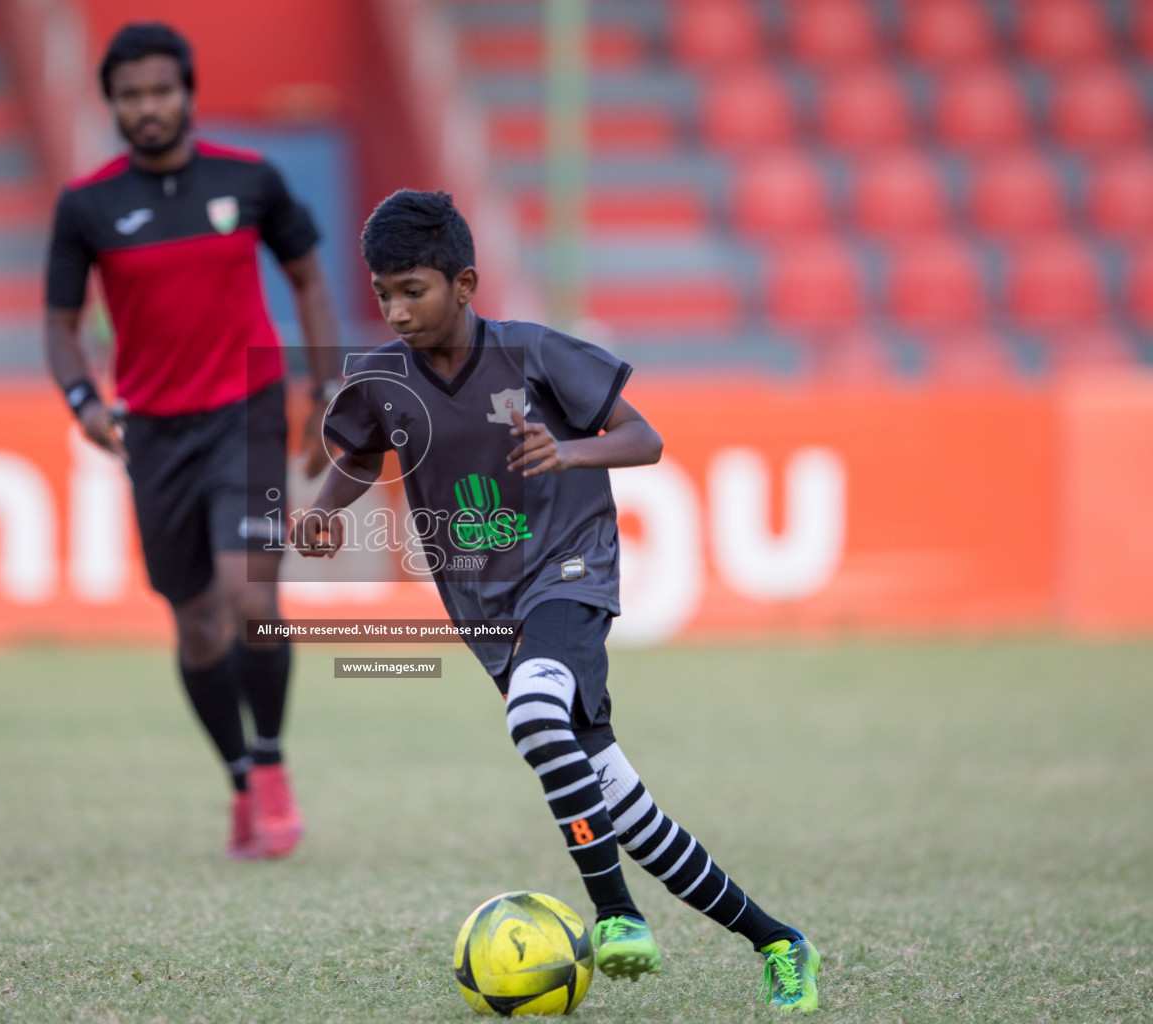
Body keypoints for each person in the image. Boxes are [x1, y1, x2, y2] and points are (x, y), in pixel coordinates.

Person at [293, 190, 822, 1010]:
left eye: (414, 290)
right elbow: (363, 453)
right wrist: (323, 517)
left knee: (535, 719)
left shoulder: (535, 353)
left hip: (570, 571)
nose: (396, 311)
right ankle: (779, 941)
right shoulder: (380, 379)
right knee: (622, 803)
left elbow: (643, 439)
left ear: (464, 284)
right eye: (383, 293)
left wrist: (569, 451)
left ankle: (614, 916)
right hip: (484, 608)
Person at [44, 22, 341, 860]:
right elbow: (60, 325)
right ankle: (241, 779)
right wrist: (82, 401)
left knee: (252, 599)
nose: (147, 108)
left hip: (246, 412)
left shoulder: (251, 181)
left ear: (188, 94)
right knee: (198, 628)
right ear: (112, 105)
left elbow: (312, 278)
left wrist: (324, 391)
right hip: (154, 431)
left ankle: (277, 771)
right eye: (130, 95)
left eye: (160, 91)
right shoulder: (88, 205)